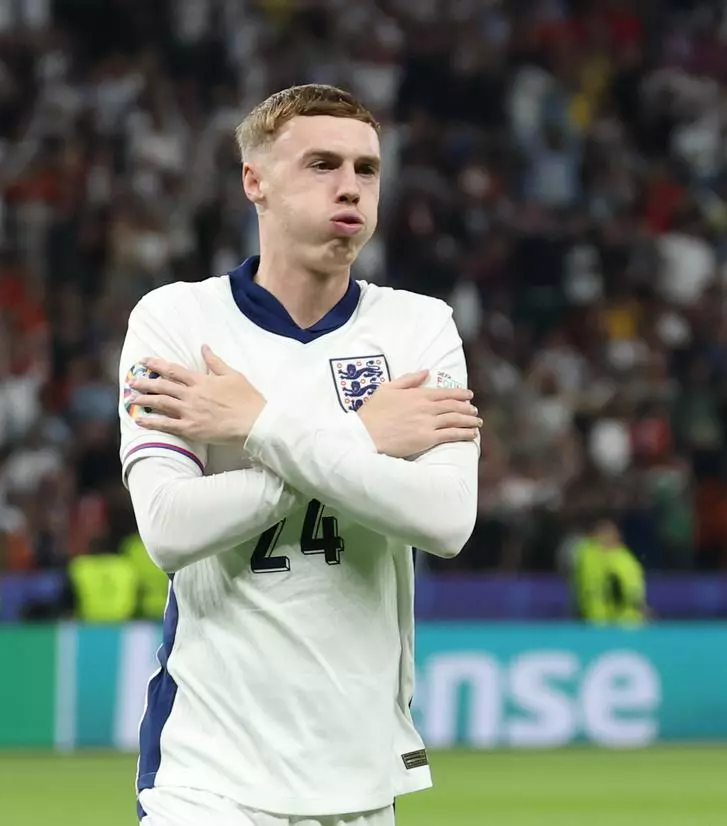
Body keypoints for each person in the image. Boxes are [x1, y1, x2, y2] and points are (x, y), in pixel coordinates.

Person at [119, 84, 481, 826]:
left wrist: (258, 426)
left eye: (366, 169)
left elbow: (446, 521)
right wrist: (363, 437)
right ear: (254, 181)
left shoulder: (419, 328)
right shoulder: (177, 319)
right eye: (322, 164)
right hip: (206, 769)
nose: (350, 186)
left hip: (358, 776)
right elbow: (169, 529)